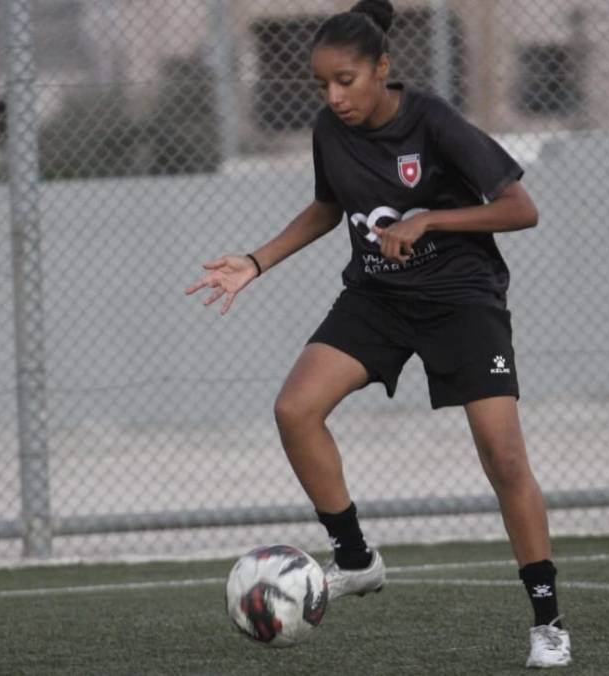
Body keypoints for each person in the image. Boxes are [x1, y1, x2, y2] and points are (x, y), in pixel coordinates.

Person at [185, 0, 571, 668]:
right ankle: (356, 558)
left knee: (503, 457)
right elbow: (327, 208)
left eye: (346, 81)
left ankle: (548, 622)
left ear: (382, 68)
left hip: (460, 299)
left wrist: (429, 219)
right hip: (378, 296)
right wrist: (254, 262)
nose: (334, 97)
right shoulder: (329, 131)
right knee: (295, 409)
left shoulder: (433, 121)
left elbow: (521, 208)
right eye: (322, 84)